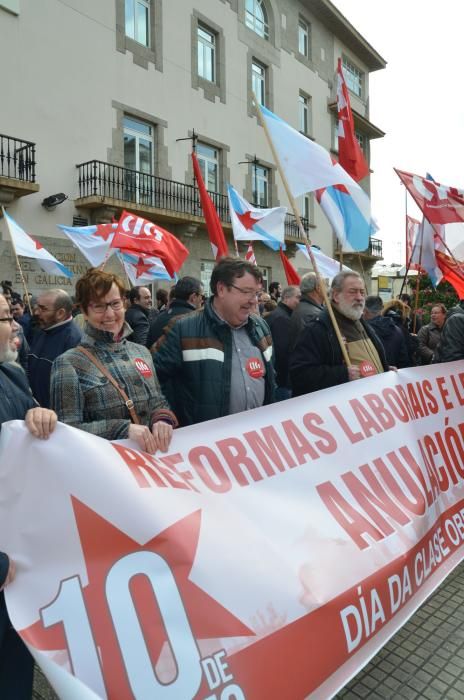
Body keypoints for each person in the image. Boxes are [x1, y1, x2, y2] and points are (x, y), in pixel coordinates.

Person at [51, 269, 177, 453]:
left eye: (115, 304)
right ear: (85, 311)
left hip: (151, 466)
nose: (110, 314)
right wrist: (123, 429)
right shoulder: (68, 363)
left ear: (124, 304)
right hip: (107, 471)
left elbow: (158, 401)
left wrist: (162, 419)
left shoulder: (141, 352)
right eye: (99, 306)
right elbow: (67, 431)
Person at [0, 292, 57, 700]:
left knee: (15, 672)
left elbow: (31, 422)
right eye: (5, 318)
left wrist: (40, 415)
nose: (16, 325)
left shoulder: (13, 374)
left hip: (18, 553)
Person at [153, 257, 275, 426]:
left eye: (256, 293)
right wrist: (166, 417)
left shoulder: (261, 327)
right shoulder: (183, 329)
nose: (254, 300)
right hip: (205, 445)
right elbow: (153, 381)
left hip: (255, 438)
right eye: (246, 292)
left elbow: (271, 380)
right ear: (221, 289)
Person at [290, 271, 388, 395]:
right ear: (336, 295)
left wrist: (384, 369)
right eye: (353, 292)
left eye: (362, 292)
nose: (359, 297)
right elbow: (300, 374)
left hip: (372, 402)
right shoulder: (318, 328)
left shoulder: (361, 322)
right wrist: (342, 374)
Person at [28, 289, 82, 408]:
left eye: (43, 309)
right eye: (36, 307)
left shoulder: (75, 340)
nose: (36, 312)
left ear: (60, 313)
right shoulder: (42, 330)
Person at [265, 285, 301, 400]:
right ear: (286, 298)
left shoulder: (282, 315)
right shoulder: (282, 318)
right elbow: (282, 353)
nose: (300, 301)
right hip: (282, 381)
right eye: (298, 298)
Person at [148, 276, 203, 349]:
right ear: (193, 297)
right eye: (202, 296)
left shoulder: (158, 319)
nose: (202, 300)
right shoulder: (198, 322)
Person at [363, 295, 409, 368]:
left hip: (371, 376)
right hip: (394, 375)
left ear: (364, 310)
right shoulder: (397, 330)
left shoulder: (363, 331)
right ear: (381, 309)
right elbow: (403, 361)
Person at [288, 272, 324, 351]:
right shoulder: (313, 314)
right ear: (318, 288)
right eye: (325, 285)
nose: (327, 288)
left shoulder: (304, 307)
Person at [383, 299, 419, 366]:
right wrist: (414, 340)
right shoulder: (400, 328)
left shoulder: (381, 323)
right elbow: (407, 351)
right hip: (399, 369)